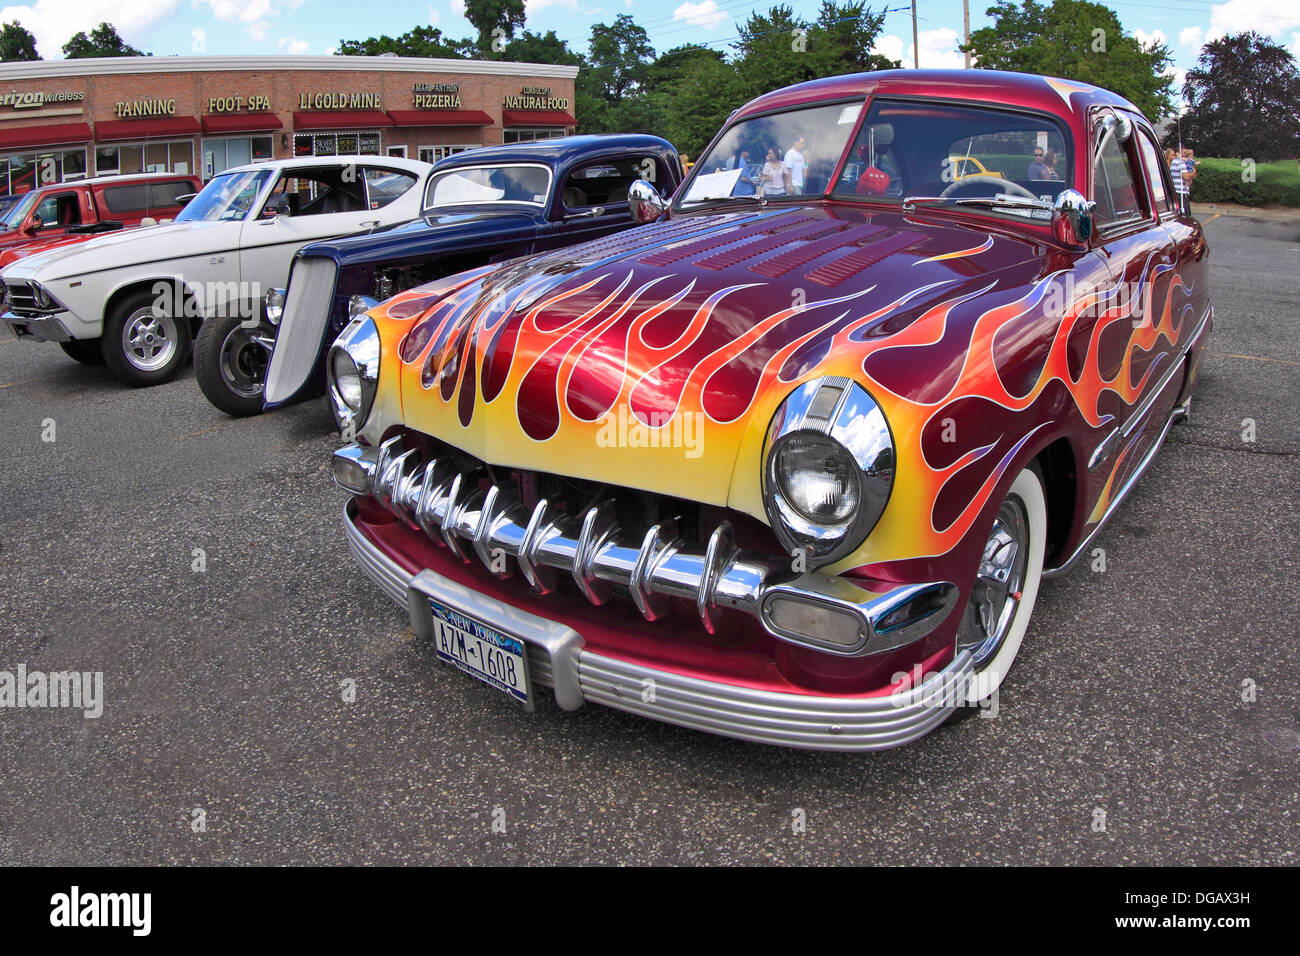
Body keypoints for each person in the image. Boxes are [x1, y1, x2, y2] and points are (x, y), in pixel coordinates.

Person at [1168, 147, 1191, 215]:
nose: (1185, 155)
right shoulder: (1181, 162)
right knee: (1185, 216)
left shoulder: (1174, 162)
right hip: (1181, 192)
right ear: (1178, 153)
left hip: (1175, 190)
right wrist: (1193, 172)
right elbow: (1186, 177)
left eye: (1186, 153)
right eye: (1183, 153)